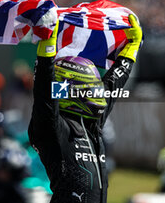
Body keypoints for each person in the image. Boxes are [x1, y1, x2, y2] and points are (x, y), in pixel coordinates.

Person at [28, 14, 143, 203]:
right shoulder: (52, 129)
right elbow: (44, 94)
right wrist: (47, 49)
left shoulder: (90, 125)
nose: (98, 94)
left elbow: (113, 84)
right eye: (90, 87)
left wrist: (132, 48)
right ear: (71, 90)